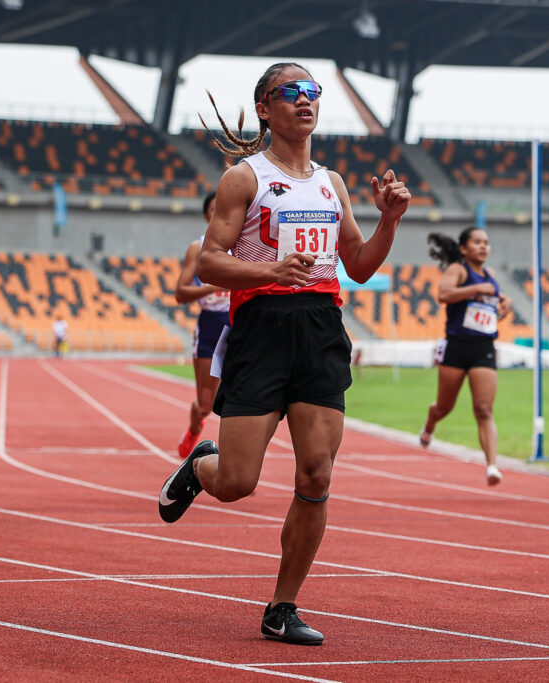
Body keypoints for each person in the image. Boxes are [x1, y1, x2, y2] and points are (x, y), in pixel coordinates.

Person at [157, 62, 410, 645]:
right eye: (290, 93)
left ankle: (282, 606)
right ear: (265, 108)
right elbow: (209, 263)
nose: (305, 100)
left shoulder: (333, 182)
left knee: (317, 472)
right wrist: (269, 270)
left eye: (312, 92)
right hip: (262, 330)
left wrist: (389, 221)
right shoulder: (244, 179)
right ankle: (201, 465)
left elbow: (360, 266)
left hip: (321, 327)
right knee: (239, 481)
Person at [420, 227, 511, 485]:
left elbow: (494, 298)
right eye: (477, 242)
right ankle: (431, 421)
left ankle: (492, 465)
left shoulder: (489, 275)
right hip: (457, 347)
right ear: (464, 248)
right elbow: (444, 294)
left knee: (484, 409)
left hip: (484, 347)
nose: (483, 247)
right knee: (444, 407)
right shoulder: (458, 270)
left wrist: (506, 302)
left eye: (486, 242)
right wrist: (474, 289)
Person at [173, 191, 230, 458]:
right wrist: (212, 287)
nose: (220, 211)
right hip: (210, 325)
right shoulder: (198, 247)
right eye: (214, 208)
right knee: (206, 405)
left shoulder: (244, 243)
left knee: (241, 399)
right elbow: (181, 292)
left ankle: (239, 461)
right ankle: (193, 431)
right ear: (208, 215)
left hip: (238, 322)